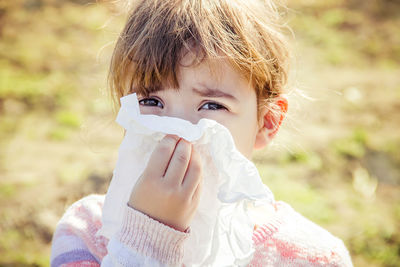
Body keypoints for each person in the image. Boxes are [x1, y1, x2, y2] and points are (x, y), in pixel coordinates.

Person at [50, 0, 353, 266]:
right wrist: (147, 237)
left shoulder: (313, 257)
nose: (178, 134)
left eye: (211, 105)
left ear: (267, 122)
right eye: (151, 101)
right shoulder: (88, 233)